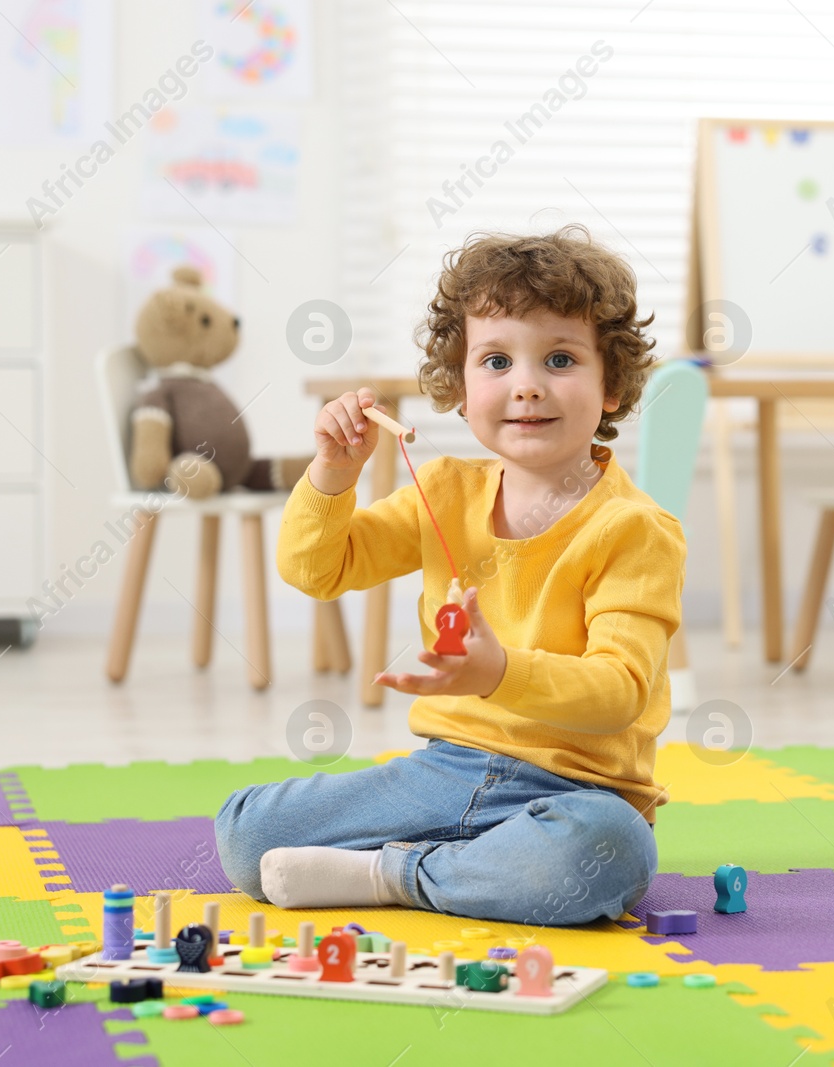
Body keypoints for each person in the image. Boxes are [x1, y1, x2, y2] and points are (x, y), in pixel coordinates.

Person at [214, 225, 686, 926]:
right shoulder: (443, 489)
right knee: (244, 831)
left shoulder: (634, 530)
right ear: (461, 389)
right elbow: (318, 568)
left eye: (559, 358)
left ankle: (392, 873)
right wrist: (333, 476)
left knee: (609, 853)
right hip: (445, 772)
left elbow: (618, 693)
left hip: (578, 793)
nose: (525, 385)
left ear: (611, 384)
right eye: (496, 361)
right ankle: (454, 871)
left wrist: (501, 672)